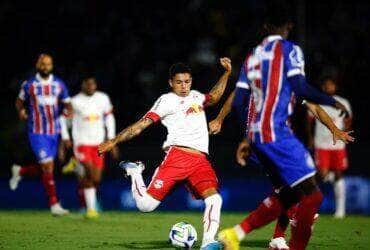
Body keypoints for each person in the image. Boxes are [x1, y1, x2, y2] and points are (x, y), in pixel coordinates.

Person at [213, 1, 353, 249]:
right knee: (312, 196)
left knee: (289, 191)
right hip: (276, 134)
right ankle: (289, 231)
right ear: (289, 26)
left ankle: (251, 234)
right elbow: (303, 91)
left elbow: (239, 99)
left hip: (257, 137)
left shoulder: (253, 58)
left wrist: (245, 138)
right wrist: (331, 100)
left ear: (266, 26)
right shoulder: (290, 52)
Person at [98, 58, 232, 250]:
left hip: (200, 160)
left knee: (214, 199)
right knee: (145, 206)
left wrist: (226, 73)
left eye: (187, 81)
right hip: (177, 157)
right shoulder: (166, 100)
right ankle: (135, 172)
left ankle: (208, 242)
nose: (184, 86)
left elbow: (215, 96)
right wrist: (114, 141)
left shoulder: (196, 97)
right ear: (171, 82)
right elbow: (141, 125)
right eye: (179, 82)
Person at [10, 54, 72, 216]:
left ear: (51, 66)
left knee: (48, 167)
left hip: (54, 131)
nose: (45, 67)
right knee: (48, 166)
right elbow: (19, 101)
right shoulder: (29, 84)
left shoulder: (59, 84)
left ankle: (21, 171)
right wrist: (21, 111)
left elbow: (67, 103)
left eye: (48, 64)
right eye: (42, 64)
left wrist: (68, 114)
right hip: (37, 131)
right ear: (38, 65)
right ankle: (54, 204)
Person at [60, 76, 119, 218]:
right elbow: (63, 119)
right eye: (88, 84)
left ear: (95, 85)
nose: (90, 86)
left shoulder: (103, 98)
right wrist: (66, 138)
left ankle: (91, 209)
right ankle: (91, 209)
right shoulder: (74, 101)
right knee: (89, 172)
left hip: (98, 144)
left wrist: (111, 139)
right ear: (83, 85)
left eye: (93, 84)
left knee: (96, 178)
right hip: (81, 143)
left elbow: (109, 118)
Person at [307, 77, 353, 218]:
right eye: (326, 85)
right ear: (322, 87)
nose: (328, 88)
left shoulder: (343, 102)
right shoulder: (317, 102)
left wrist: (344, 131)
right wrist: (310, 138)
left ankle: (340, 211)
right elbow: (309, 121)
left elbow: (348, 119)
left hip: (338, 145)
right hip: (322, 143)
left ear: (335, 87)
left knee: (339, 174)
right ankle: (309, 205)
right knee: (322, 174)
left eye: (331, 85)